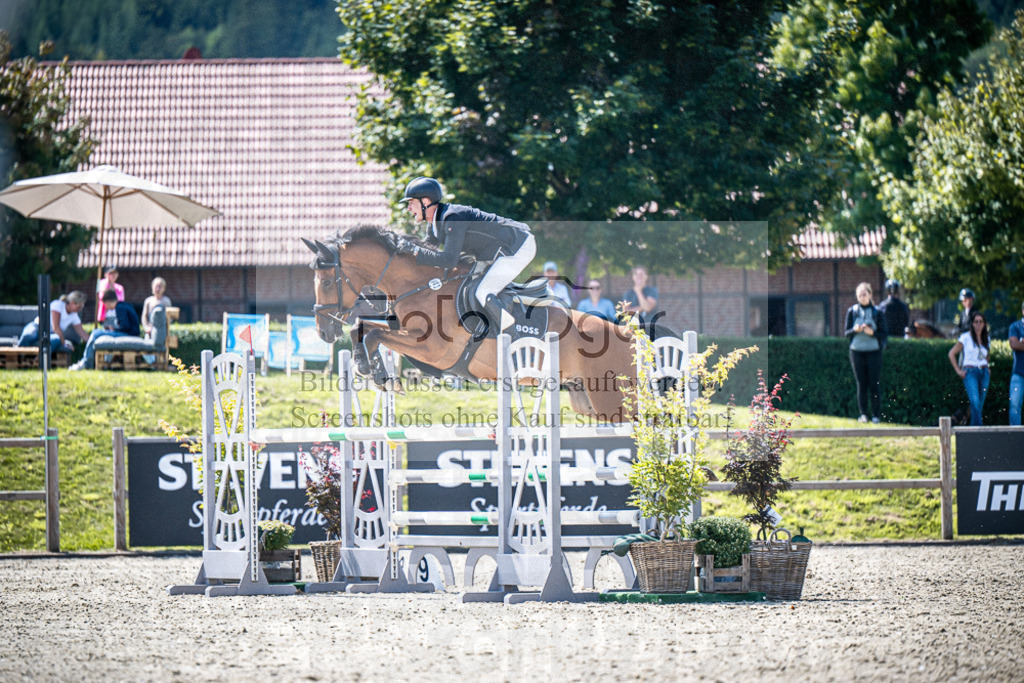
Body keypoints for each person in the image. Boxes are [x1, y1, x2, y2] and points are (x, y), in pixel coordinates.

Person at [397, 176, 535, 333]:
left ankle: (512, 336)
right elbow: (427, 251)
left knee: (483, 292)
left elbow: (449, 260)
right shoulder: (435, 224)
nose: (408, 208)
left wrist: (414, 251)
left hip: (518, 247)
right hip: (495, 252)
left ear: (426, 201)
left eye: (411, 203)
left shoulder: (452, 217)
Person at [844, 282, 887, 423]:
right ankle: (863, 414)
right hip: (857, 352)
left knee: (874, 383)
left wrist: (872, 332)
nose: (862, 297)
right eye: (859, 295)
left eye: (864, 294)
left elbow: (884, 333)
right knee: (861, 384)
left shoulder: (877, 312)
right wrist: (855, 330)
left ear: (870, 294)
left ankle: (876, 415)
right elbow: (846, 333)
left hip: (874, 351)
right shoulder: (852, 311)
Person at [70, 290, 141, 370]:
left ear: (108, 302)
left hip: (130, 334)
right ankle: (87, 362)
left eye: (105, 305)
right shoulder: (124, 305)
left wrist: (113, 329)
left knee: (95, 333)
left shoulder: (119, 308)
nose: (106, 307)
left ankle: (86, 362)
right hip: (133, 333)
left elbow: (125, 327)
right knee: (97, 333)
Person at [948, 310, 990, 426]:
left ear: (984, 324)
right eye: (976, 321)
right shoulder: (965, 337)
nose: (978, 324)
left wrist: (988, 367)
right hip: (970, 371)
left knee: (979, 405)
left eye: (980, 322)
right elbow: (951, 353)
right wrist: (958, 370)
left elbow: (987, 356)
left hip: (984, 372)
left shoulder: (986, 338)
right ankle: (978, 431)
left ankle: (972, 429)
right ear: (972, 323)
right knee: (975, 401)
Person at [17, 291, 89, 354]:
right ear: (72, 303)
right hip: (37, 327)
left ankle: (39, 361)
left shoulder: (74, 316)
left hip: (50, 334)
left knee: (56, 340)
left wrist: (93, 342)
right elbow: (56, 328)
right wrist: (64, 344)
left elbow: (82, 334)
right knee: (29, 335)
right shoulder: (58, 305)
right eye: (79, 306)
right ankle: (18, 356)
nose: (80, 309)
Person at [621, 266, 662, 336]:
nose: (638, 276)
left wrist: (638, 291)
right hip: (632, 329)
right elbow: (626, 313)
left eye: (641, 274)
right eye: (636, 274)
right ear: (633, 277)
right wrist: (642, 307)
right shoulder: (628, 294)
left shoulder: (652, 291)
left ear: (646, 276)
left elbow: (648, 308)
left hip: (649, 327)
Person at [1007, 301, 1024, 426]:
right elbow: (1014, 344)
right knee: (1014, 405)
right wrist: (1019, 343)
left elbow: (1020, 344)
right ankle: (1015, 436)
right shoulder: (1015, 326)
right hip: (1019, 373)